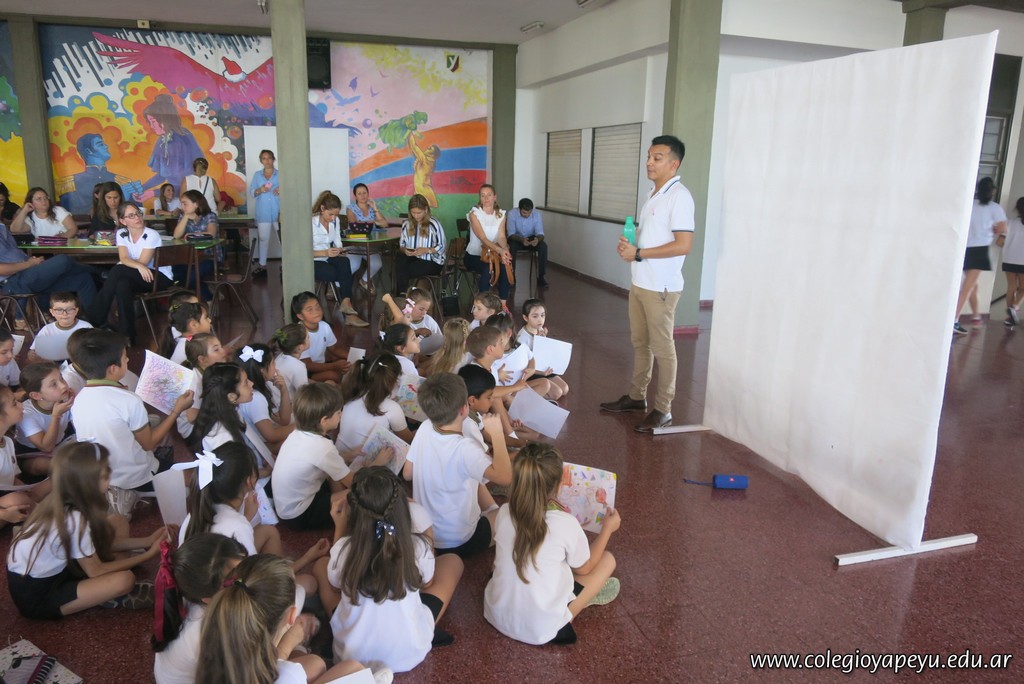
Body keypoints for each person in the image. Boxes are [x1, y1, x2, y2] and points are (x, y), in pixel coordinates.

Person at [7, 441, 172, 618]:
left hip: (63, 568)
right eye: (105, 474)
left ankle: (101, 590)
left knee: (118, 521)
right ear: (89, 483)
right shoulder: (75, 519)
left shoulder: (60, 499)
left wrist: (147, 541)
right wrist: (148, 555)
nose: (110, 474)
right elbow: (96, 571)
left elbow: (98, 540)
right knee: (125, 580)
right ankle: (104, 594)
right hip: (40, 594)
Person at [326, 466, 463, 673]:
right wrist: (426, 531)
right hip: (410, 653)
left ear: (352, 512)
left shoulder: (345, 550)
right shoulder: (417, 547)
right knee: (453, 561)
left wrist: (339, 528)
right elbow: (428, 584)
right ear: (402, 508)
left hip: (352, 658)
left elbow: (335, 587)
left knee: (322, 567)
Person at [601, 134, 695, 432]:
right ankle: (636, 397)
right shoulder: (654, 193)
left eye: (657, 158)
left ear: (674, 164)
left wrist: (639, 253)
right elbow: (652, 235)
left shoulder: (679, 196)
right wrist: (631, 244)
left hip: (661, 287)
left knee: (663, 349)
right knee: (640, 343)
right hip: (641, 281)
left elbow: (683, 244)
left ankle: (663, 409)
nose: (649, 162)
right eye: (649, 156)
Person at [483, 443, 621, 645]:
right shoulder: (565, 523)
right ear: (560, 485)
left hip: (496, 614)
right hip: (542, 629)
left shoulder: (504, 512)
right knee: (607, 560)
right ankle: (580, 601)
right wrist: (607, 529)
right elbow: (585, 568)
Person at [196, 554, 381, 684]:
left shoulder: (213, 647)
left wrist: (292, 643)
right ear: (292, 616)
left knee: (317, 664)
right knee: (353, 668)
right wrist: (291, 642)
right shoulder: (288, 675)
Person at [71, 330, 193, 514]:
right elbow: (149, 444)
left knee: (152, 426)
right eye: (125, 357)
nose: (128, 360)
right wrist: (177, 410)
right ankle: (137, 492)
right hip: (137, 476)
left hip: (104, 476)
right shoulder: (128, 400)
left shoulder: (79, 399)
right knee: (195, 480)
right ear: (113, 369)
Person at [402, 372, 512, 557]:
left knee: (474, 478)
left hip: (425, 532)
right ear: (465, 408)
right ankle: (492, 516)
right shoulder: (465, 448)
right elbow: (505, 477)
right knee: (511, 515)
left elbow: (407, 474)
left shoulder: (425, 427)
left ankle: (491, 513)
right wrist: (498, 434)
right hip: (459, 540)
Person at [273, 382, 378, 530]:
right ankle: (340, 510)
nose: (341, 415)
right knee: (361, 493)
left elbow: (322, 460)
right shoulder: (323, 447)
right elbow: (353, 483)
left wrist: (349, 455)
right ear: (324, 421)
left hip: (286, 505)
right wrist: (377, 464)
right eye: (338, 413)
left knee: (336, 474)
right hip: (300, 514)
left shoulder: (298, 433)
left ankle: (337, 501)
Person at [152, 533, 247, 684]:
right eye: (237, 581)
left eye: (247, 567)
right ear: (207, 599)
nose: (248, 580)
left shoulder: (193, 593)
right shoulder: (213, 631)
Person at [87, 202, 175, 345]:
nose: (137, 218)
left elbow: (142, 262)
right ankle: (128, 335)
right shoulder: (121, 234)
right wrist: (138, 266)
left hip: (159, 277)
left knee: (118, 270)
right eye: (131, 216)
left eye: (138, 213)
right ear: (123, 221)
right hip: (139, 275)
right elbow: (124, 258)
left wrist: (138, 265)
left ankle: (95, 317)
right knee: (122, 284)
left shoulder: (151, 234)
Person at [178, 442, 282, 556]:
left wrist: (246, 517)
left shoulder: (197, 512)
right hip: (224, 565)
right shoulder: (239, 527)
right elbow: (247, 564)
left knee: (268, 531)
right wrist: (245, 520)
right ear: (249, 482)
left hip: (207, 562)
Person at [0, 205, 97, 318]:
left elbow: (13, 255)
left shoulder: (1, 227)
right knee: (62, 260)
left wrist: (29, 260)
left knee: (84, 279)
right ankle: (96, 270)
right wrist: (29, 264)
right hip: (14, 280)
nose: (1, 208)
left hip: (28, 272)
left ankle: (93, 321)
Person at [189, 363, 274, 477]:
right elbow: (237, 474)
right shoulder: (220, 436)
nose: (251, 383)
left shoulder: (232, 411)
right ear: (231, 396)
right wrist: (265, 472)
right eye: (245, 383)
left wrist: (262, 457)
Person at [954, 177, 1007, 334]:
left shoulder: (970, 204)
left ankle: (976, 316)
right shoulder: (995, 208)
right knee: (968, 287)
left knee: (972, 285)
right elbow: (1002, 229)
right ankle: (954, 320)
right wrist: (992, 230)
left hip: (964, 248)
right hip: (979, 249)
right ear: (993, 191)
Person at [336, 352, 414, 453]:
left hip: (340, 455)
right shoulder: (392, 408)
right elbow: (409, 440)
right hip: (365, 461)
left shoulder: (351, 393)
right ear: (394, 381)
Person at [310, 192, 366, 327]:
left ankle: (346, 302)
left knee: (344, 261)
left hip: (329, 256)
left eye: (336, 215)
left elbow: (337, 241)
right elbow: (303, 252)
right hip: (314, 260)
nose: (333, 218)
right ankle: (350, 315)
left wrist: (340, 250)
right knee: (342, 273)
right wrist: (325, 252)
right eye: (331, 214)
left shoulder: (335, 221)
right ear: (322, 209)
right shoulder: (310, 223)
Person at [135, 94, 203, 204]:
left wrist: (154, 193)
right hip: (173, 197)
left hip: (189, 199)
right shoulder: (163, 140)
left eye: (153, 121)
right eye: (150, 122)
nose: (151, 126)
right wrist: (142, 189)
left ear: (164, 120)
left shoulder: (182, 139)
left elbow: (186, 183)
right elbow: (163, 175)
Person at [16, 362, 74, 475]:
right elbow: (46, 447)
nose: (63, 385)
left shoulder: (65, 397)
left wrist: (77, 401)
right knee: (45, 465)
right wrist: (56, 416)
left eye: (61, 378)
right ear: (36, 395)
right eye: (54, 384)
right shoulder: (27, 414)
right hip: (34, 453)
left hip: (62, 443)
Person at [235, 344, 295, 452]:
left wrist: (284, 390)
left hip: (261, 445)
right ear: (262, 369)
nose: (276, 367)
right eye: (273, 363)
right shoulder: (255, 398)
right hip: (260, 450)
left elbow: (283, 420)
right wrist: (301, 426)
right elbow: (272, 436)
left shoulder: (258, 391)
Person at [465, 184, 512, 306]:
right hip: (475, 256)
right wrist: (500, 250)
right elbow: (483, 238)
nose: (486, 198)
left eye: (489, 195)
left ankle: (503, 305)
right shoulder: (475, 214)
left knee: (505, 266)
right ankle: (483, 305)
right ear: (480, 198)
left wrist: (505, 250)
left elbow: (501, 237)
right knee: (487, 269)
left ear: (494, 197)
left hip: (494, 255)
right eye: (483, 195)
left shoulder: (500, 214)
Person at [517, 298, 569, 398]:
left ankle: (542, 392)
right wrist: (540, 372)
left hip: (542, 368)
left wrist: (544, 340)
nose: (540, 319)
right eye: (535, 316)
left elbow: (544, 353)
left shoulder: (539, 329)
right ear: (525, 317)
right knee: (557, 393)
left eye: (542, 315)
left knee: (565, 389)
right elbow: (523, 365)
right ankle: (531, 397)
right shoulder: (522, 338)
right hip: (532, 372)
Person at [395, 194, 446, 293]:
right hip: (414, 258)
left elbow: (442, 246)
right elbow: (402, 246)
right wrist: (405, 250)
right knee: (400, 258)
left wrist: (426, 250)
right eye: (413, 212)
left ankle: (402, 295)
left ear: (426, 210)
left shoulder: (434, 224)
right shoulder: (407, 224)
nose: (416, 215)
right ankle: (404, 294)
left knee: (402, 271)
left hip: (432, 261)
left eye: (419, 212)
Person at [172, 189, 219, 296]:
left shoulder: (209, 215)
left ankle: (208, 299)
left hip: (210, 257)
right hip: (189, 258)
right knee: (176, 275)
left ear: (196, 204)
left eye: (185, 204)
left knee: (192, 277)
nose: (182, 207)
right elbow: (176, 235)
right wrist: (185, 217)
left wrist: (192, 235)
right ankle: (206, 292)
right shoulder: (183, 216)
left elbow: (211, 233)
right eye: (181, 204)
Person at [27, 290, 92, 363]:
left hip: (80, 363)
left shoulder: (86, 327)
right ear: (52, 312)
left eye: (70, 309)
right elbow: (33, 352)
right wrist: (33, 355)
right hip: (54, 364)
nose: (65, 314)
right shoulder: (47, 330)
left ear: (76, 311)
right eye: (59, 310)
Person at [346, 183, 387, 289]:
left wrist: (375, 208)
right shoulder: (351, 208)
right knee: (354, 265)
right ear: (355, 196)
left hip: (369, 245)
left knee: (377, 264)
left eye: (364, 193)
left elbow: (384, 224)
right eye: (359, 193)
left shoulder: (372, 209)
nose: (362, 195)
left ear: (368, 194)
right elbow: (354, 223)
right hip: (355, 244)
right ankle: (335, 286)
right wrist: (373, 222)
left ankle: (364, 280)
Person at [249, 149, 280, 278]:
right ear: (261, 161)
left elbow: (290, 188)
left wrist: (282, 189)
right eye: (264, 158)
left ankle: (287, 265)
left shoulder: (280, 174)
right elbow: (252, 192)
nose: (267, 161)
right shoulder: (257, 175)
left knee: (283, 239)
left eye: (269, 158)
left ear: (273, 159)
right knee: (263, 239)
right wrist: (259, 190)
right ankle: (262, 265)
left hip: (279, 212)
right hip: (263, 212)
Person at [507, 198, 548, 288]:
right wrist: (522, 240)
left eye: (529, 212)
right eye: (524, 213)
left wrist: (537, 240)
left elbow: (541, 233)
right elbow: (511, 234)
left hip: (531, 238)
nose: (527, 215)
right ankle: (511, 275)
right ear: (519, 209)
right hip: (517, 239)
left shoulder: (536, 214)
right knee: (511, 247)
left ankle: (541, 277)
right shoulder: (512, 214)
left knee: (543, 246)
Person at [10, 187, 78, 239]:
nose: (44, 201)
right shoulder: (31, 218)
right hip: (43, 251)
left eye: (45, 198)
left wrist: (62, 237)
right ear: (31, 202)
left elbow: (73, 229)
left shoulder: (58, 211)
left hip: (63, 248)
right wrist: (24, 210)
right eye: (39, 199)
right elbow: (14, 229)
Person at [271, 323, 311, 402]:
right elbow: (304, 394)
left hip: (275, 401)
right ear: (300, 347)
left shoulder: (281, 356)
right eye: (308, 338)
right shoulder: (298, 367)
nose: (310, 338)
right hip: (288, 405)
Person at [1001, 196, 1024, 328]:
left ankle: (1011, 317)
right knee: (1023, 288)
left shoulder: (1009, 223)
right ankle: (1014, 308)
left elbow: (1000, 242)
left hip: (1009, 259)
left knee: (1011, 287)